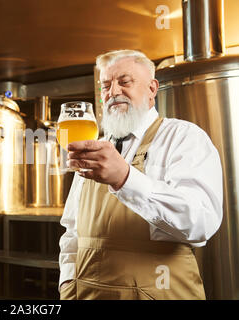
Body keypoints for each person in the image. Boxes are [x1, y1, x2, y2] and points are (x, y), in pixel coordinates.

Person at [58, 49, 223, 300]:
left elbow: (200, 222)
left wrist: (125, 178)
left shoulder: (183, 137)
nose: (113, 93)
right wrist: (68, 284)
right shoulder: (95, 145)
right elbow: (72, 229)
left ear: (152, 89)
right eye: (105, 86)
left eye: (124, 82)